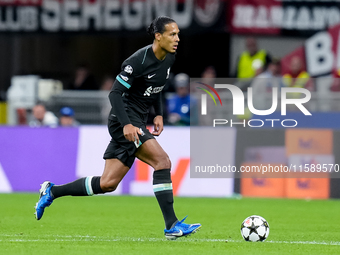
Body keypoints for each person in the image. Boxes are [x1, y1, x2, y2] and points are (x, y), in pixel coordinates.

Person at [34, 16, 201, 240]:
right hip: (124, 121)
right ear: (158, 36)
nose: (177, 38)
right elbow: (114, 93)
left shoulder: (169, 57)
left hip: (138, 121)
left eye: (178, 34)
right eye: (172, 34)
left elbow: (157, 87)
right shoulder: (137, 62)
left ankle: (51, 191)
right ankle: (171, 225)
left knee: (108, 183)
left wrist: (159, 113)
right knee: (162, 162)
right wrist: (127, 124)